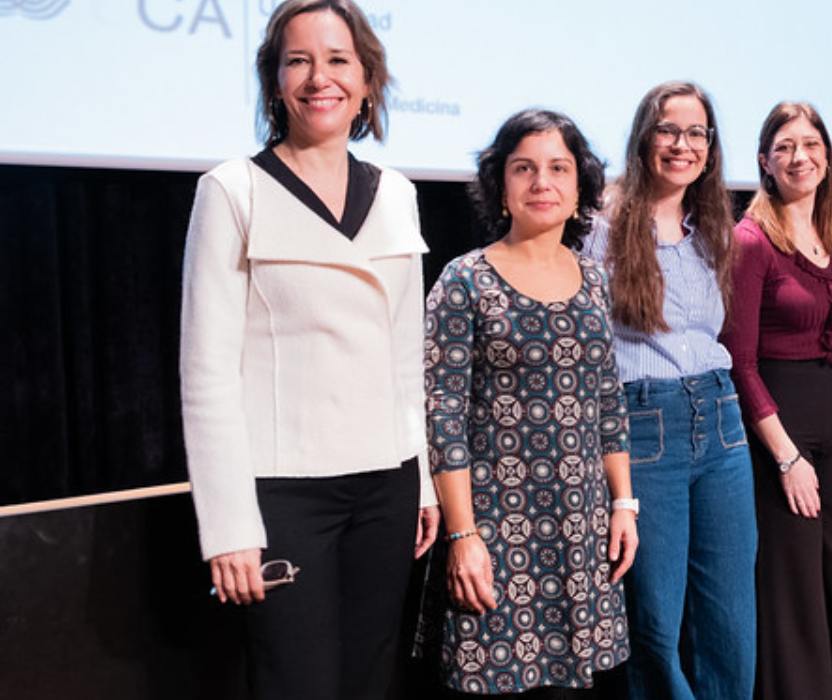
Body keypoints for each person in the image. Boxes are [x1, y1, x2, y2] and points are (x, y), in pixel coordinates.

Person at [178, 1, 439, 697]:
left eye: (337, 60)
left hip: (385, 487)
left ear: (366, 81)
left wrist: (419, 480)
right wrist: (228, 526)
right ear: (273, 82)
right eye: (298, 60)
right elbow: (205, 375)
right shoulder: (232, 191)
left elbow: (404, 358)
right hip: (283, 494)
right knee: (298, 684)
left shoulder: (397, 194)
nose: (318, 77)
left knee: (368, 680)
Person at [424, 109, 637, 697]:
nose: (542, 182)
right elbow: (443, 416)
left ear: (579, 189)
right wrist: (463, 537)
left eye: (558, 169)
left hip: (582, 523)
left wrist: (625, 505)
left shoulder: (594, 279)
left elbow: (606, 402)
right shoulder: (464, 280)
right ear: (501, 187)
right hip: (497, 527)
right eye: (524, 168)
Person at [579, 81, 756, 700]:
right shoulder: (601, 231)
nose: (683, 144)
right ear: (644, 138)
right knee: (654, 622)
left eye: (696, 133)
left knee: (732, 621)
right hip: (646, 424)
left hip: (721, 417)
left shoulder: (711, 229)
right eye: (668, 130)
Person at [720, 102, 832, 700]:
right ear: (764, 161)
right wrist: (787, 458)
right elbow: (739, 360)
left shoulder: (830, 234)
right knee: (795, 593)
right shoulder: (751, 241)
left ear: (827, 156)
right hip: (782, 432)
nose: (799, 156)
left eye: (810, 144)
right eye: (784, 146)